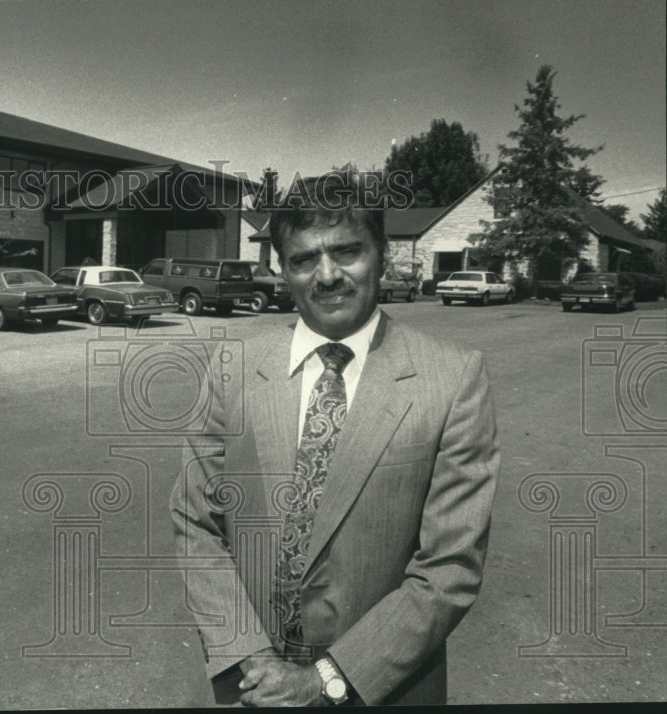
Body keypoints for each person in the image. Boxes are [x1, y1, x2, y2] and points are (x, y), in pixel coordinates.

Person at [170, 173, 499, 706]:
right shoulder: (232, 368)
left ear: (381, 256)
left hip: (381, 688)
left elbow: (449, 568)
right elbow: (195, 521)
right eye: (303, 259)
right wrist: (249, 654)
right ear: (282, 269)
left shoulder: (453, 379)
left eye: (346, 251)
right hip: (248, 686)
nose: (327, 275)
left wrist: (323, 679)